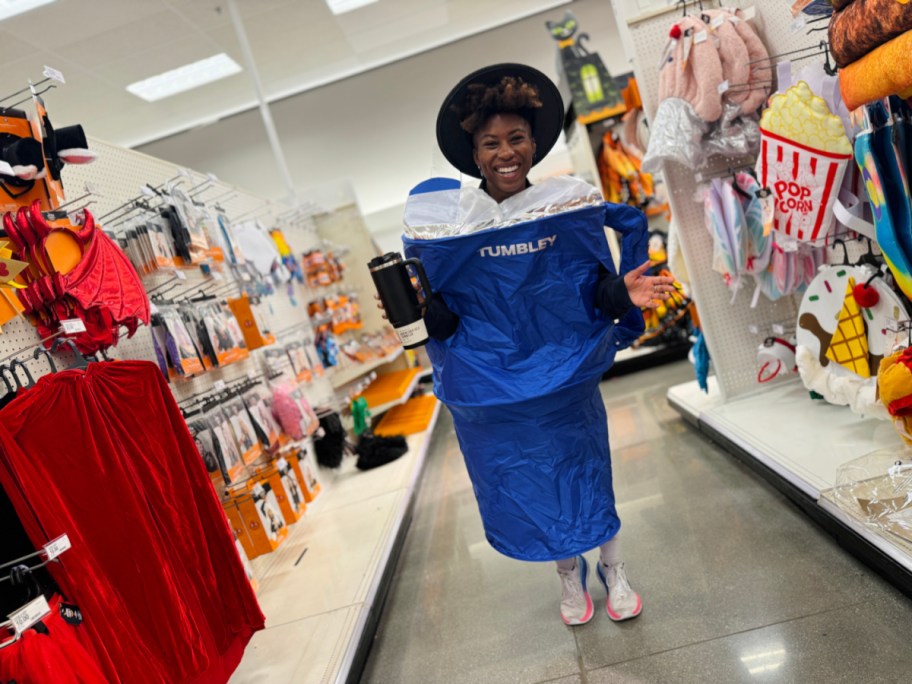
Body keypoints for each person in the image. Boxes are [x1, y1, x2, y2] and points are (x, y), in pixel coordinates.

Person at [381, 64, 675, 626]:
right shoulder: (446, 228)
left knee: (586, 470)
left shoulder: (565, 209)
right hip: (493, 395)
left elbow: (591, 291)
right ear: (474, 153)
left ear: (534, 143)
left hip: (564, 383)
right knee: (530, 485)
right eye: (490, 143)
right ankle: (569, 577)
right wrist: (415, 308)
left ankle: (613, 568)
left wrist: (624, 288)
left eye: (516, 138)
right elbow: (445, 324)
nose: (505, 152)